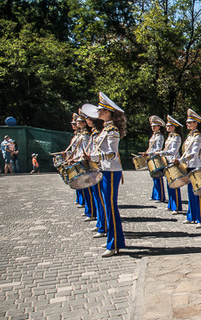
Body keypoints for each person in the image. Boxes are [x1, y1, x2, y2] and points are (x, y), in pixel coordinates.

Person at [86, 92, 126, 257]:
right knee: (107, 207)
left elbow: (112, 154)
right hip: (105, 171)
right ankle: (113, 239)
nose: (99, 112)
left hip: (111, 172)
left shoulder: (112, 131)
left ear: (109, 112)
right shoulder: (106, 129)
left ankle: (114, 243)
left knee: (110, 208)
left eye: (102, 110)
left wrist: (93, 157)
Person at [178, 109, 201, 227]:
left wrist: (181, 160)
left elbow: (194, 153)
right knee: (190, 193)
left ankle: (200, 219)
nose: (187, 124)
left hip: (197, 167)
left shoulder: (198, 137)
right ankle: (191, 216)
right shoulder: (190, 136)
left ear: (196, 123)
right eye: (187, 122)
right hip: (190, 166)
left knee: (198, 194)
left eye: (190, 122)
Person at [82, 104, 107, 239]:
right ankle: (100, 223)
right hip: (94, 166)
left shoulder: (99, 133)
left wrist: (90, 158)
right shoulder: (95, 134)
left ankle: (103, 225)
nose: (86, 121)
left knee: (101, 199)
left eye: (87, 119)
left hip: (98, 167)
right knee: (98, 198)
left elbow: (104, 153)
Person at [73, 112, 97, 222]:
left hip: (86, 162)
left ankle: (91, 212)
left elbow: (87, 150)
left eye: (78, 121)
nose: (77, 123)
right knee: (85, 188)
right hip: (81, 160)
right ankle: (89, 210)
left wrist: (79, 158)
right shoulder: (83, 134)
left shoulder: (87, 135)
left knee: (88, 189)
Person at [158, 115, 183, 214]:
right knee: (169, 184)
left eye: (169, 126)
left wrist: (160, 153)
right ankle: (171, 204)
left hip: (173, 162)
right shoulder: (170, 137)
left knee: (174, 185)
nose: (167, 127)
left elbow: (173, 151)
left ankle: (176, 206)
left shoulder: (176, 137)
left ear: (174, 127)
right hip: (168, 162)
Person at [143, 116, 166, 203]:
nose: (153, 127)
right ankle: (155, 195)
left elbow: (158, 149)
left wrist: (149, 153)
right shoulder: (154, 135)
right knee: (154, 176)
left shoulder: (160, 136)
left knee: (158, 176)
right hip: (151, 157)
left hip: (156, 157)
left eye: (155, 126)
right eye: (152, 126)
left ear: (159, 126)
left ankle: (160, 196)